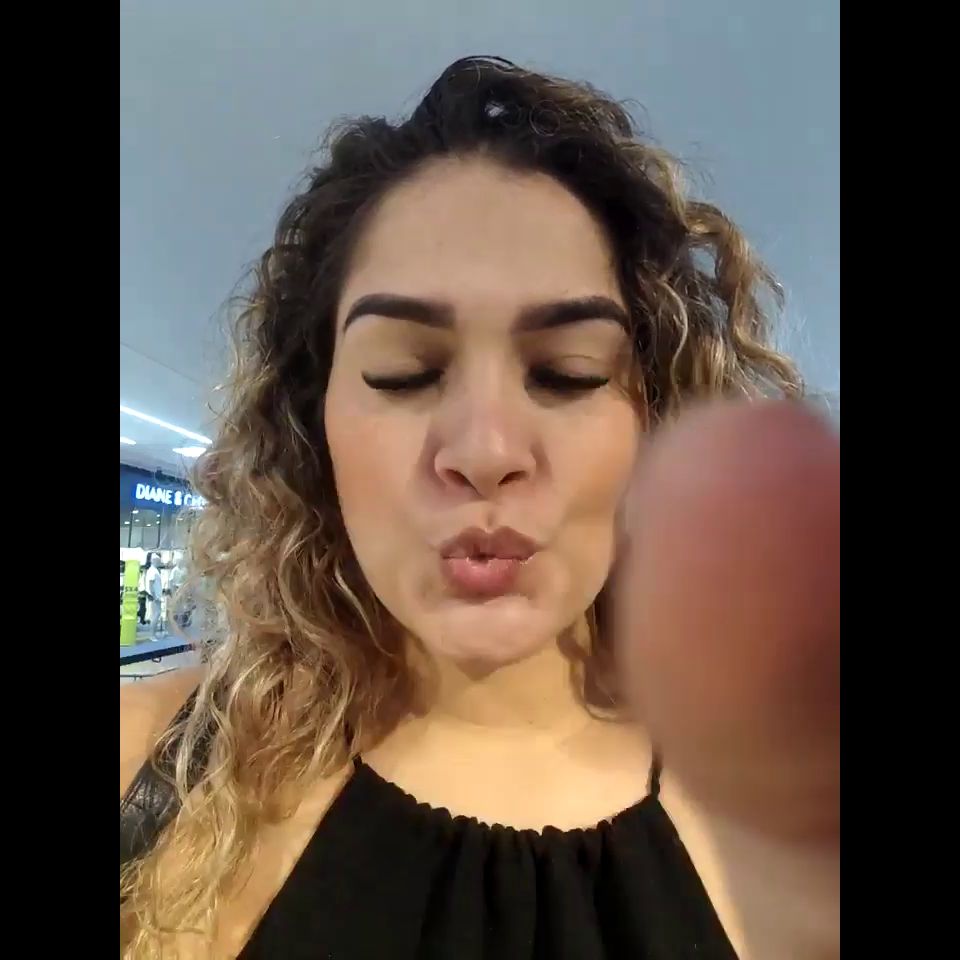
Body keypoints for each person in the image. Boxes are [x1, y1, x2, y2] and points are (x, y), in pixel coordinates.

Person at [120, 57, 839, 959]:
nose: (486, 450)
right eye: (404, 373)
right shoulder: (144, 764)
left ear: (656, 422)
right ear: (313, 422)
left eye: (568, 374)